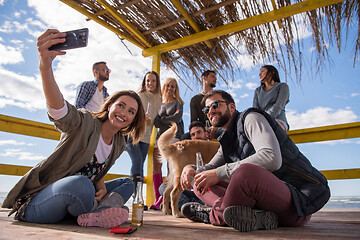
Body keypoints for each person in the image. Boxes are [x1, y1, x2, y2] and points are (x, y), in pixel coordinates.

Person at [1, 29, 146, 229]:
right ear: (109, 104)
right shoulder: (85, 121)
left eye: (131, 111)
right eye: (120, 105)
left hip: (80, 197)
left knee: (128, 183)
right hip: (41, 202)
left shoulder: (120, 143)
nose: (124, 113)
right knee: (82, 183)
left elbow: (98, 168)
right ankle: (100, 210)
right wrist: (45, 66)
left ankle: (97, 212)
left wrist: (101, 183)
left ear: (133, 120)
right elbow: (60, 109)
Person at [180, 90, 330, 232]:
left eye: (215, 105)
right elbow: (209, 168)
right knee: (198, 180)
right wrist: (189, 168)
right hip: (263, 205)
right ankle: (257, 216)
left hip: (295, 204)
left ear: (231, 107)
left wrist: (219, 173)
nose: (210, 111)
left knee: (245, 171)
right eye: (206, 110)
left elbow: (271, 158)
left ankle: (212, 215)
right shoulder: (227, 139)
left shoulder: (251, 118)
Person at [152, 77, 184, 210]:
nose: (170, 89)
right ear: (164, 87)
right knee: (156, 166)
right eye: (168, 86)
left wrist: (162, 119)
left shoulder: (178, 103)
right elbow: (155, 122)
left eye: (173, 86)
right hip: (160, 138)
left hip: (174, 137)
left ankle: (168, 198)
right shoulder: (159, 104)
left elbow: (177, 118)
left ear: (175, 89)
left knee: (171, 169)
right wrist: (167, 120)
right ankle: (157, 199)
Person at [126, 71, 162, 189]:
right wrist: (140, 117)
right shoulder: (139, 96)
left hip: (146, 138)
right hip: (133, 134)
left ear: (157, 83)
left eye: (153, 81)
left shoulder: (159, 99)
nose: (150, 83)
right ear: (144, 82)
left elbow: (159, 119)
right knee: (137, 162)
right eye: (148, 81)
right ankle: (135, 194)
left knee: (140, 164)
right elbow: (129, 112)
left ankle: (138, 196)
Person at [159, 121, 207, 209]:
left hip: (204, 192)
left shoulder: (212, 148)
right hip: (187, 190)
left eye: (199, 132)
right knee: (163, 187)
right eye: (193, 134)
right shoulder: (186, 150)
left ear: (205, 134)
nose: (196, 136)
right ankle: (195, 207)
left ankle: (187, 206)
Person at [253, 65, 290, 131]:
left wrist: (265, 120)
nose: (259, 74)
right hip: (261, 123)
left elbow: (278, 106)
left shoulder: (283, 87)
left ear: (271, 73)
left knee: (270, 128)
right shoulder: (257, 91)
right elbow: (256, 110)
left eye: (262, 71)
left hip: (278, 120)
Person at [190, 70, 218, 139]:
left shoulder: (218, 96)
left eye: (215, 77)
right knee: (185, 137)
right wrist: (203, 129)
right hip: (201, 131)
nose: (215, 79)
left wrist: (215, 127)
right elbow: (194, 121)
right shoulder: (195, 99)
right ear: (204, 78)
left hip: (218, 128)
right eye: (212, 76)